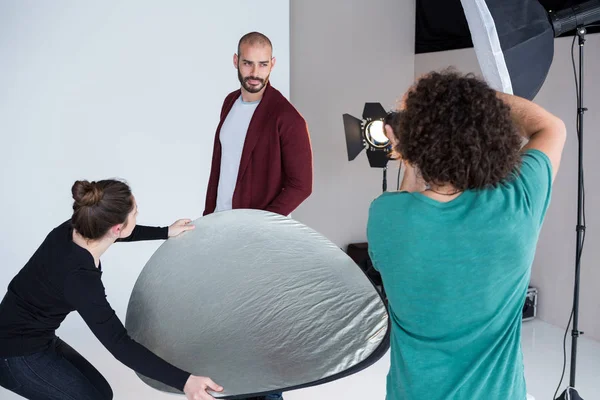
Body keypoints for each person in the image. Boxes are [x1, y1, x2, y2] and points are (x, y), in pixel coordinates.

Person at [367, 69, 566, 400]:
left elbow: (408, 200)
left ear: (415, 146)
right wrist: (474, 100)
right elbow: (550, 127)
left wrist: (412, 151)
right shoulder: (517, 204)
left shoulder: (386, 218)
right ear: (489, 136)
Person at [0, 179, 223, 400]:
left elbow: (118, 232)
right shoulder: (80, 278)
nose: (137, 217)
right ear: (117, 227)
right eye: (135, 213)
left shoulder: (74, 229)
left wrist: (165, 231)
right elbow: (119, 344)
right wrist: (185, 381)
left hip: (36, 337)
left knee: (103, 394)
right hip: (15, 354)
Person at [203, 32, 313, 218]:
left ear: (273, 64)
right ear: (236, 61)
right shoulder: (230, 102)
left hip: (260, 234)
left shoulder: (287, 118)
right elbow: (220, 164)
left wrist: (261, 223)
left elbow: (301, 185)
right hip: (220, 222)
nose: (255, 73)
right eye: (248, 63)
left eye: (263, 64)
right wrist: (208, 215)